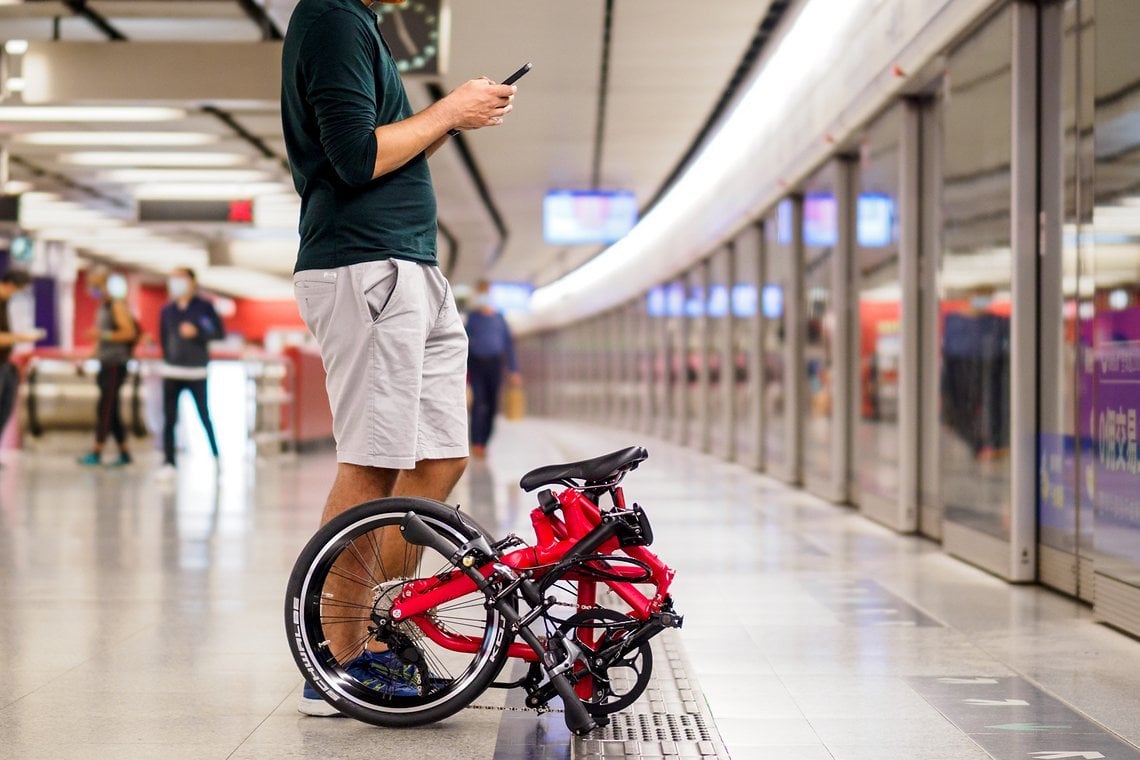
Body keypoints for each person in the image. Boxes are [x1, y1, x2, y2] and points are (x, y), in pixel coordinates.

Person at [281, 0, 518, 715]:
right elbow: (354, 159)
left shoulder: (358, 23)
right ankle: (335, 662)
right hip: (366, 265)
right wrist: (448, 110)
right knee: (375, 459)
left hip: (409, 265)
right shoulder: (329, 17)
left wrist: (451, 120)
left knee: (439, 458)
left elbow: (383, 148)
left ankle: (376, 622)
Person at [156, 268, 225, 481]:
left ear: (192, 282)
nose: (176, 282)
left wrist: (197, 333)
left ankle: (216, 456)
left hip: (196, 371)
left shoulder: (205, 307)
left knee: (204, 415)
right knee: (169, 419)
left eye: (181, 278)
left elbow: (218, 332)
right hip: (172, 370)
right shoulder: (168, 310)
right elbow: (163, 338)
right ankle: (169, 462)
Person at [78, 268, 137, 467]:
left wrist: (103, 336)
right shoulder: (102, 307)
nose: (92, 289)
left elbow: (129, 333)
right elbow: (98, 342)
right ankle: (124, 452)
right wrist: (85, 359)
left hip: (115, 364)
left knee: (105, 408)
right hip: (104, 362)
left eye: (95, 285)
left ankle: (97, 450)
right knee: (111, 410)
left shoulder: (116, 306)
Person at [464, 280, 521, 458]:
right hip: (477, 364)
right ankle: (477, 442)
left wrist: (514, 370)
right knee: (479, 403)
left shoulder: (499, 318)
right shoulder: (473, 318)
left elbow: (508, 345)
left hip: (495, 365)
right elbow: (463, 342)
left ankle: (485, 440)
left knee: (491, 405)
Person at [0, 271, 43, 450]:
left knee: (6, 408)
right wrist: (21, 338)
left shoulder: (5, 303)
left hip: (5, 362)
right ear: (10, 284)